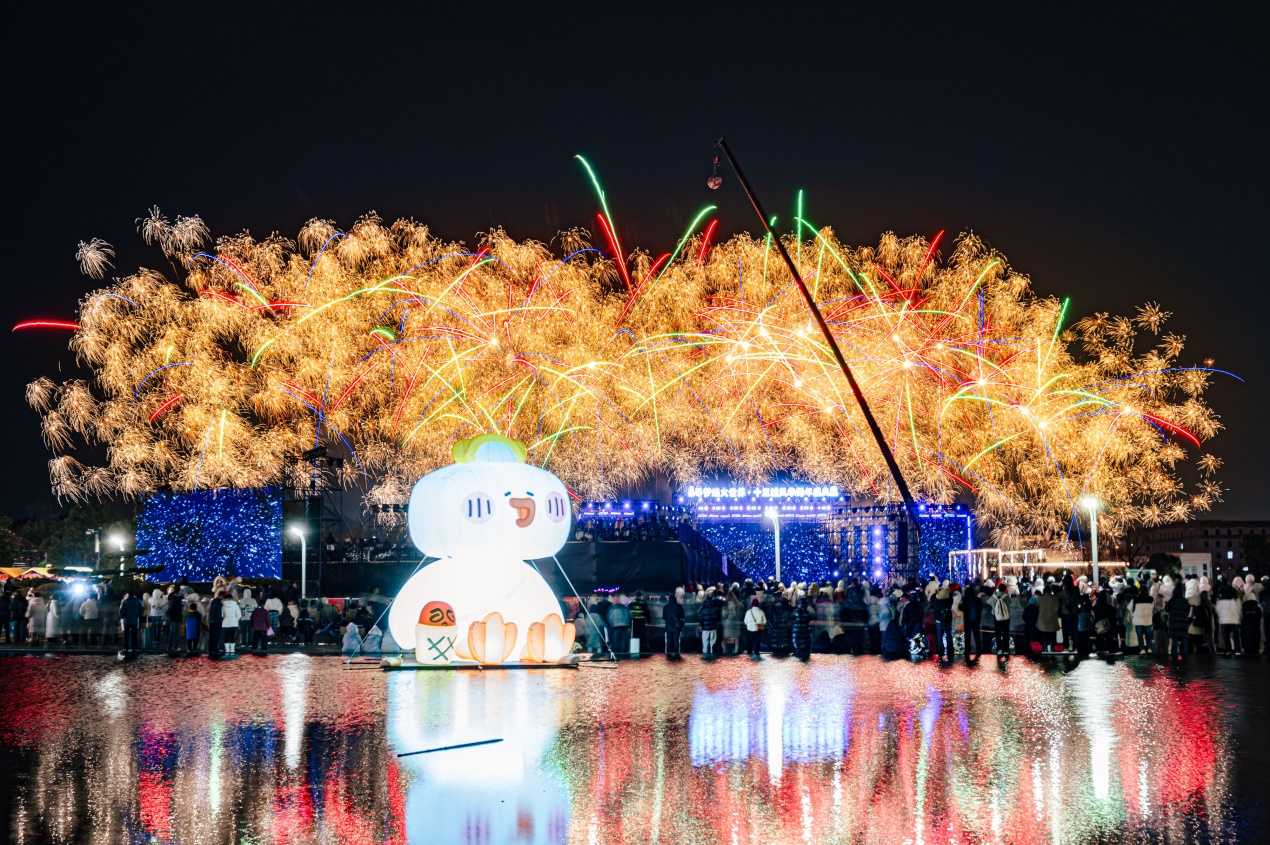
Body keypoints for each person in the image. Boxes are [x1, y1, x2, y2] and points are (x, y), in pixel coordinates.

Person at [1214, 583, 1243, 657]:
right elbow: (1238, 610)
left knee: (1226, 636)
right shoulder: (1234, 601)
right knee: (1236, 636)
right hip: (1234, 620)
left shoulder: (1219, 601)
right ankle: (1237, 650)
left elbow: (1217, 610)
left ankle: (1228, 650)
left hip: (1224, 620)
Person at [1166, 584, 1190, 661]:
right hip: (1183, 622)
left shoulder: (1172, 600)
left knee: (1175, 639)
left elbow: (1167, 608)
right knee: (1184, 639)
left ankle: (1174, 656)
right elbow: (1188, 611)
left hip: (1174, 622)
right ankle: (1184, 655)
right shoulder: (1185, 601)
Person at [989, 583, 1012, 657]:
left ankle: (999, 649)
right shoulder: (1007, 596)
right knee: (1006, 633)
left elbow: (989, 602)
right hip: (1006, 617)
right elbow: (1010, 602)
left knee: (998, 633)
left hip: (996, 617)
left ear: (998, 589)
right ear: (1005, 589)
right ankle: (1006, 649)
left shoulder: (994, 596)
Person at [1036, 586, 1061, 653]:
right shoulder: (1054, 599)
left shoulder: (1040, 598)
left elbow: (1036, 606)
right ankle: (1052, 647)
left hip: (1042, 620)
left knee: (1044, 635)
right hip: (1052, 620)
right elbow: (1058, 606)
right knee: (1052, 635)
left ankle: (1044, 647)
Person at [962, 584, 984, 659]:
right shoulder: (978, 600)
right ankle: (978, 651)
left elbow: (961, 608)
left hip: (967, 620)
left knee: (967, 636)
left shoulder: (964, 600)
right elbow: (981, 608)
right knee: (977, 636)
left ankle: (967, 651)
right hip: (976, 620)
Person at [699, 590, 722, 655]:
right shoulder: (716, 609)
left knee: (705, 643)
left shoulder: (702, 610)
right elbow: (718, 618)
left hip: (705, 629)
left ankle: (705, 655)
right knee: (713, 643)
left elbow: (700, 619)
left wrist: (702, 625)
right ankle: (712, 655)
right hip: (713, 628)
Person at [220, 591, 241, 655]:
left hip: (225, 623)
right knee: (232, 636)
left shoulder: (223, 605)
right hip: (234, 622)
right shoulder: (236, 605)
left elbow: (222, 615)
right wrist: (236, 620)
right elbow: (239, 615)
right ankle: (232, 650)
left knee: (226, 637)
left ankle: (227, 650)